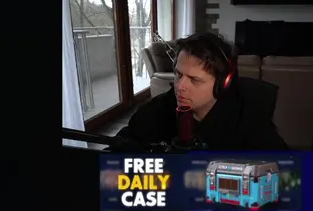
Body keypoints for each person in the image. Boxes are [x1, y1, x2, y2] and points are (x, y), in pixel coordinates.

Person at [116, 32, 287, 151]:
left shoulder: (249, 119)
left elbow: (285, 172)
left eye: (194, 80)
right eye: (178, 74)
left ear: (223, 83)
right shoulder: (159, 108)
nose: (180, 86)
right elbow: (119, 146)